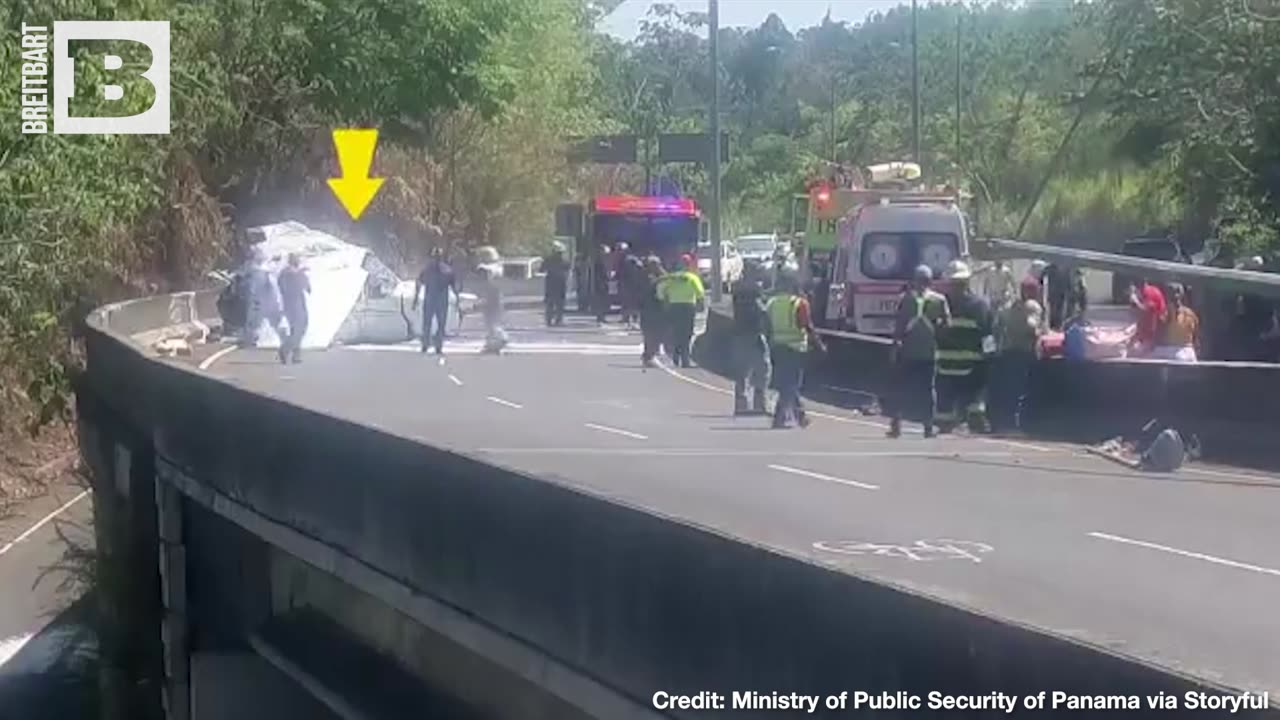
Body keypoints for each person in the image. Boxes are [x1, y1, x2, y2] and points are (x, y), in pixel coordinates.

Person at [887, 265, 950, 438]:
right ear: (930, 281)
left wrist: (894, 347)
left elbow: (899, 326)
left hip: (908, 352)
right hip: (929, 352)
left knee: (902, 388)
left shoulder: (906, 299)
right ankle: (928, 426)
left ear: (915, 281)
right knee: (928, 389)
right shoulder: (940, 300)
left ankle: (896, 425)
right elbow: (946, 325)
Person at [935, 260, 995, 434]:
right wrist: (990, 359)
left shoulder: (940, 305)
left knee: (944, 412)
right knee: (973, 402)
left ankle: (951, 420)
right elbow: (987, 335)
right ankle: (973, 417)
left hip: (945, 368)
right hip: (971, 367)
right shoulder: (979, 306)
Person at [766, 272, 826, 429]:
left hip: (777, 348)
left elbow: (766, 326)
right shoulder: (799, 303)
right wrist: (819, 343)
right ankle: (780, 418)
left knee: (786, 383)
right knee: (791, 384)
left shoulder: (771, 302)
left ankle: (800, 416)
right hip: (795, 348)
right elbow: (807, 326)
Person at [990, 278, 1044, 434]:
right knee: (1022, 390)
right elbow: (1032, 327)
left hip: (1006, 352)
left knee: (1008, 389)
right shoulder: (1032, 307)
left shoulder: (1007, 306)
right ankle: (1016, 425)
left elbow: (996, 327)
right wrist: (1041, 332)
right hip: (1024, 352)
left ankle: (1003, 423)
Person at [730, 276, 770, 416]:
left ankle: (740, 405)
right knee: (762, 370)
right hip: (755, 337)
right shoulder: (756, 304)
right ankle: (759, 405)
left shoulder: (738, 302)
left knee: (741, 372)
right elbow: (765, 315)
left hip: (739, 337)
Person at [656, 254, 705, 368]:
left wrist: (664, 300)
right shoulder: (692, 278)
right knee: (686, 334)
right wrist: (700, 304)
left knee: (676, 333)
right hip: (688, 307)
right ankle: (685, 359)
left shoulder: (671, 278)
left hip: (674, 307)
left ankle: (676, 356)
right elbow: (700, 293)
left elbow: (660, 289)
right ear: (689, 265)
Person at [412, 247, 456, 355]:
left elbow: (418, 283)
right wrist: (416, 298)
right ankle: (433, 345)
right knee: (435, 324)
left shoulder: (428, 270)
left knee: (432, 324)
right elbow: (454, 287)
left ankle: (430, 345)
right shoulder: (445, 270)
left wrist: (416, 298)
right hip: (437, 301)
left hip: (434, 301)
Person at [276, 253, 311, 364]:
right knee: (300, 328)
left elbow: (307, 287)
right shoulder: (291, 273)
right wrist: (302, 274)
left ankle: (296, 355)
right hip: (296, 304)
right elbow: (307, 288)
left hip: (290, 304)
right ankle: (285, 349)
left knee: (295, 329)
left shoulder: (285, 273)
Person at [1151, 283, 1199, 362]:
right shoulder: (1190, 313)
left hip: (1178, 352)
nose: (1175, 296)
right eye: (1173, 293)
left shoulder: (1189, 314)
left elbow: (1195, 336)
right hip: (1185, 352)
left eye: (1176, 293)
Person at [639, 256, 667, 367]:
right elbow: (649, 287)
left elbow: (667, 278)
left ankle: (650, 355)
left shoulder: (658, 275)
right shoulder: (645, 276)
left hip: (656, 308)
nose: (657, 267)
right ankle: (648, 356)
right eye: (655, 265)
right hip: (649, 308)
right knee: (650, 333)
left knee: (657, 332)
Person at [1128, 277, 1167, 356]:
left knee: (1138, 355)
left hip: (1153, 335)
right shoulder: (1143, 293)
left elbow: (1146, 311)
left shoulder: (1150, 292)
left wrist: (1135, 300)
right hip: (1145, 333)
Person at [478, 267, 508, 354]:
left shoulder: (490, 286)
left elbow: (491, 299)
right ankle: (492, 345)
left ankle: (501, 340)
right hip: (491, 309)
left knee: (492, 327)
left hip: (492, 309)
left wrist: (483, 304)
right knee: (490, 327)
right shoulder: (490, 285)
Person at [543, 241, 569, 327]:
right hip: (558, 283)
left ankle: (552, 320)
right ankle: (556, 320)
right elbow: (567, 270)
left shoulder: (548, 260)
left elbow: (542, 269)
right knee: (558, 303)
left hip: (553, 284)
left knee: (553, 303)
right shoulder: (563, 261)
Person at [593, 245, 613, 324]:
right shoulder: (599, 261)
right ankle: (600, 317)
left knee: (603, 301)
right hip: (601, 283)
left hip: (603, 282)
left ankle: (601, 316)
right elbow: (600, 273)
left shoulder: (602, 261)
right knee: (601, 301)